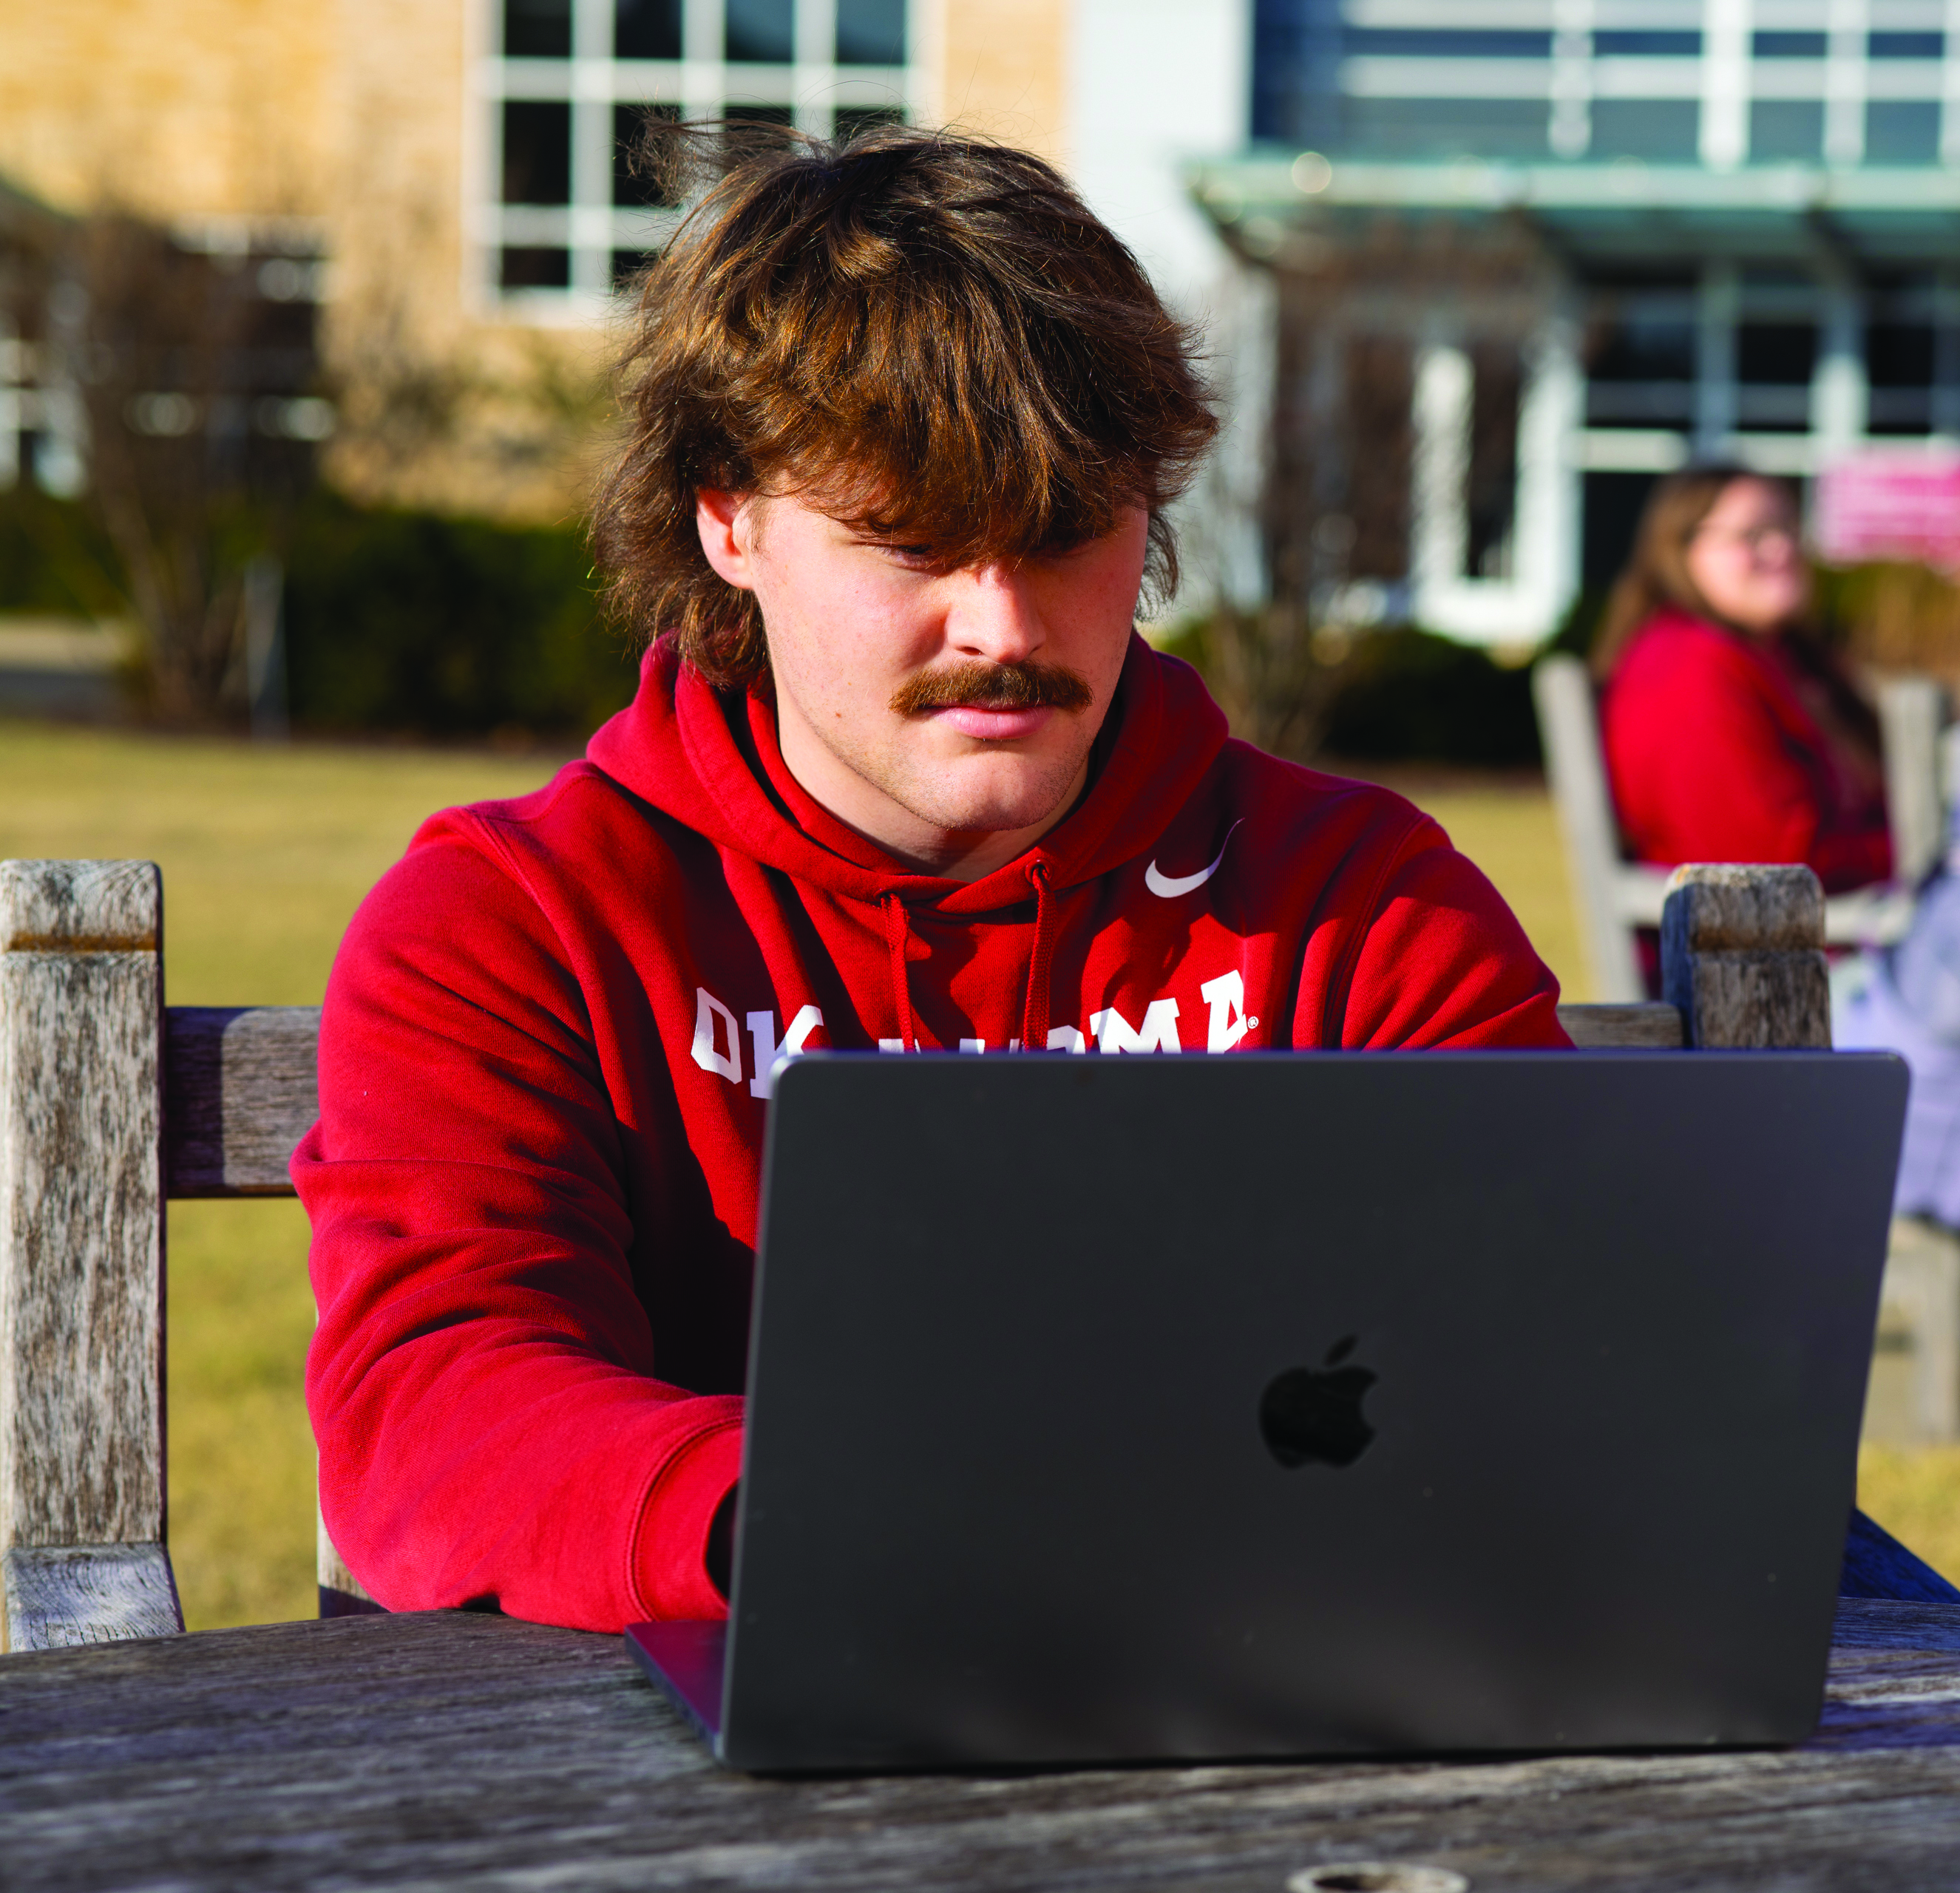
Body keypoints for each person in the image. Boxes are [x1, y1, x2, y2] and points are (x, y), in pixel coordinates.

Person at [291, 126, 1575, 1634]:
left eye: (1061, 528)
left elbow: (1556, 1336)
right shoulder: (520, 924)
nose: (1000, 619)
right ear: (729, 515)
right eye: (910, 539)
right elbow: (441, 1394)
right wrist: (830, 1513)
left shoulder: (1357, 907)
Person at [1595, 467, 1893, 891]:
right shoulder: (1690, 666)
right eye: (1752, 535)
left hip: (1837, 927)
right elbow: (1771, 863)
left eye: (1788, 528)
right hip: (1749, 948)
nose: (1782, 548)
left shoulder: (1783, 658)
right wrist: (1920, 847)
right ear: (1681, 551)